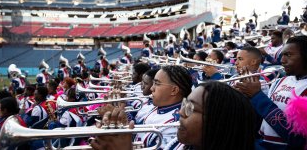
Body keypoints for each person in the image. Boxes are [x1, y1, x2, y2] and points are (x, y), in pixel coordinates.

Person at [89, 81, 256, 150]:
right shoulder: (182, 144)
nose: (180, 112)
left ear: (218, 123)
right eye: (184, 105)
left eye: (191, 108)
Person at [235, 36, 307, 149]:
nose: (282, 60)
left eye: (288, 55)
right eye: (282, 55)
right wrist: (246, 97)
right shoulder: (279, 81)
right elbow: (263, 119)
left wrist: (257, 96)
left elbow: (297, 139)